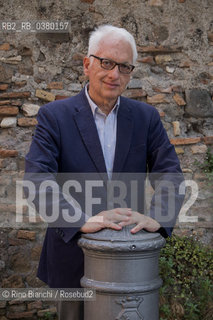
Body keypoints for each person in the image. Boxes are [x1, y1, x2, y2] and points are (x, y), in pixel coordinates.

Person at [25, 25, 184, 320]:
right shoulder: (54, 117)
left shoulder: (145, 117)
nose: (114, 75)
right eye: (106, 63)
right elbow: (37, 179)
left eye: (124, 67)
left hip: (131, 258)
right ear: (87, 64)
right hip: (73, 256)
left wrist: (158, 217)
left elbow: (170, 173)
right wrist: (79, 220)